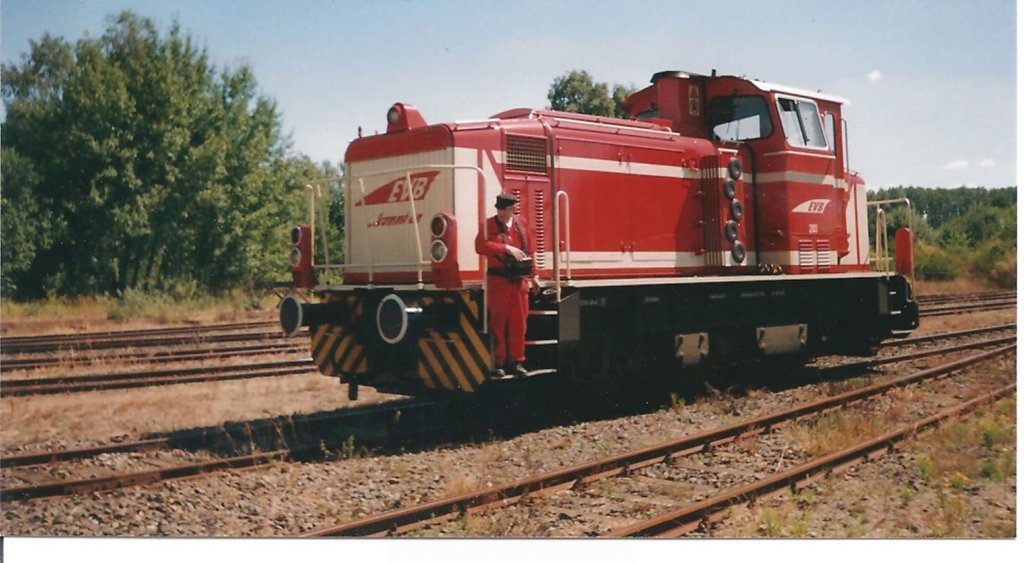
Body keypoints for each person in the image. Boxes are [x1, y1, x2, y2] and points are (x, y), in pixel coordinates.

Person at [475, 192, 541, 378]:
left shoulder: (522, 224)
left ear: (512, 209)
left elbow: (530, 251)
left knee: (519, 324)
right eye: (499, 209)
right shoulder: (488, 225)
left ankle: (516, 362)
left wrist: (534, 275)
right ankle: (498, 363)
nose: (501, 213)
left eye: (504, 209)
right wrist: (505, 248)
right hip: (498, 282)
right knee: (498, 323)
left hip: (519, 282)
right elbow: (480, 246)